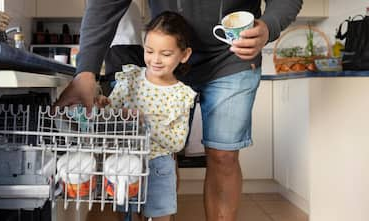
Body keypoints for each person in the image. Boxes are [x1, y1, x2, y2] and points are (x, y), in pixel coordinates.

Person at [55, 1, 303, 220]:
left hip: (232, 58)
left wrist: (269, 26)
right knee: (161, 154)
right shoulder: (148, 66)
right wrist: (86, 71)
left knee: (223, 155)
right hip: (169, 61)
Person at [94, 11, 196, 221]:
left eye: (166, 54)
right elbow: (111, 116)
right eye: (149, 51)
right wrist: (104, 106)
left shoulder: (182, 94)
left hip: (160, 166)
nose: (155, 60)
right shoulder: (130, 78)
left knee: (160, 217)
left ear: (184, 55)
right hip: (125, 162)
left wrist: (144, 121)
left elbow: (177, 143)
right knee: (128, 216)